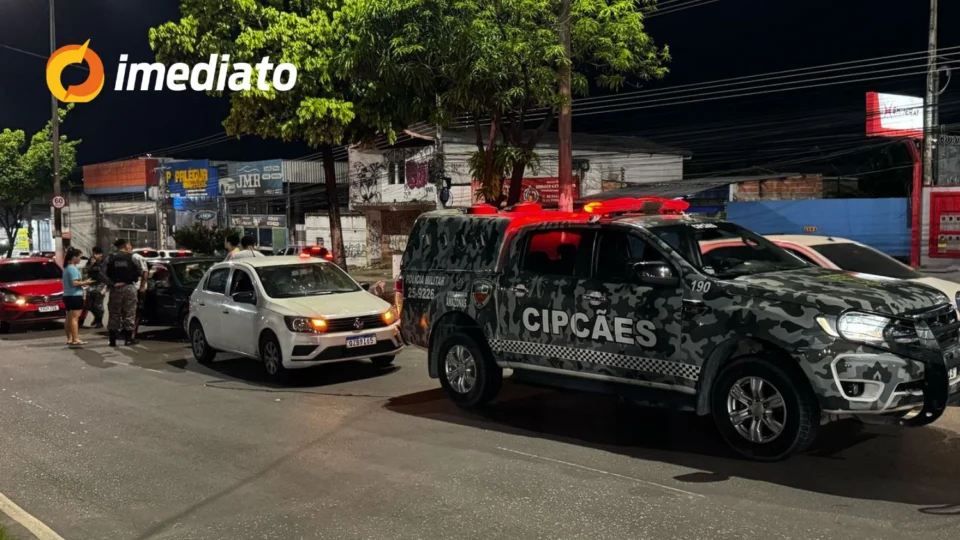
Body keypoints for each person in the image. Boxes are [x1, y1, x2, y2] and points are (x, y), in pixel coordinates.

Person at [102, 239, 147, 346]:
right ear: (126, 245)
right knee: (129, 313)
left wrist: (112, 283)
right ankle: (128, 339)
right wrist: (142, 287)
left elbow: (101, 274)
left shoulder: (110, 258)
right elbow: (144, 272)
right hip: (129, 287)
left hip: (115, 289)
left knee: (114, 313)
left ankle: (112, 340)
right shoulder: (133, 257)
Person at [62, 248, 93, 346]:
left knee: (68, 318)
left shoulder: (67, 268)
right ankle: (75, 339)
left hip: (67, 295)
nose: (80, 259)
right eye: (79, 257)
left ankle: (69, 338)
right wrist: (86, 282)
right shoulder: (72, 268)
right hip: (75, 296)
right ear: (74, 257)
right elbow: (74, 283)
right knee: (75, 318)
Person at [79, 247, 106, 328]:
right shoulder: (90, 261)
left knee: (98, 305)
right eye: (94, 254)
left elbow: (106, 273)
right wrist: (91, 264)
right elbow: (85, 271)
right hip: (91, 284)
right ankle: (96, 318)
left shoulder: (104, 262)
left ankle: (99, 321)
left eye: (97, 254)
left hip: (101, 285)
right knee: (89, 304)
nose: (95, 255)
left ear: (101, 254)